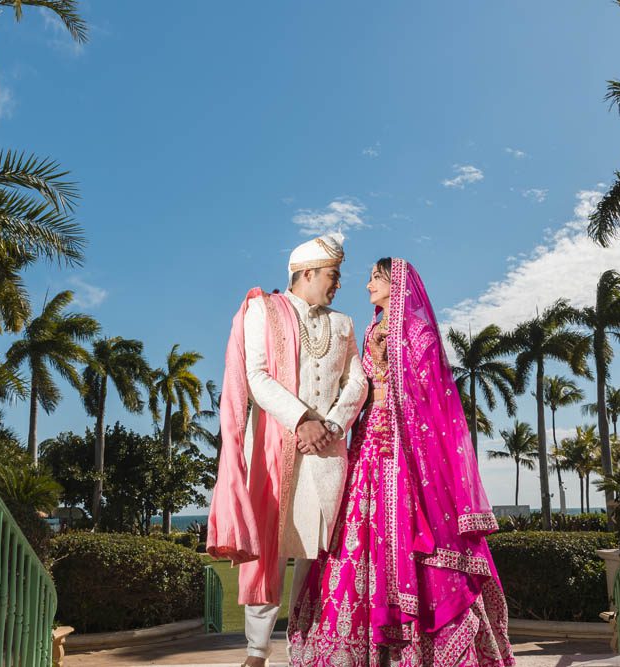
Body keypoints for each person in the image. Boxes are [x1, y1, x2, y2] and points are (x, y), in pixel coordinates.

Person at [288, 258, 516, 666]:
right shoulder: (372, 330)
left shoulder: (419, 333)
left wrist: (397, 398)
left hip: (405, 448)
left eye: (375, 278)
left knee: (409, 537)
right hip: (366, 446)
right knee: (355, 538)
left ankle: (424, 648)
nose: (368, 285)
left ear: (396, 282)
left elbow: (431, 397)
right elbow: (359, 385)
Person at [207, 233, 369, 667]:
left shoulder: (344, 324)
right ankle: (257, 652)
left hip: (329, 454)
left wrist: (331, 424)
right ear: (308, 273)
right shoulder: (263, 310)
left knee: (317, 558)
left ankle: (307, 645)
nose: (338, 284)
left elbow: (358, 381)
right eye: (333, 275)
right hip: (278, 448)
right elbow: (257, 377)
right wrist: (303, 419)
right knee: (272, 551)